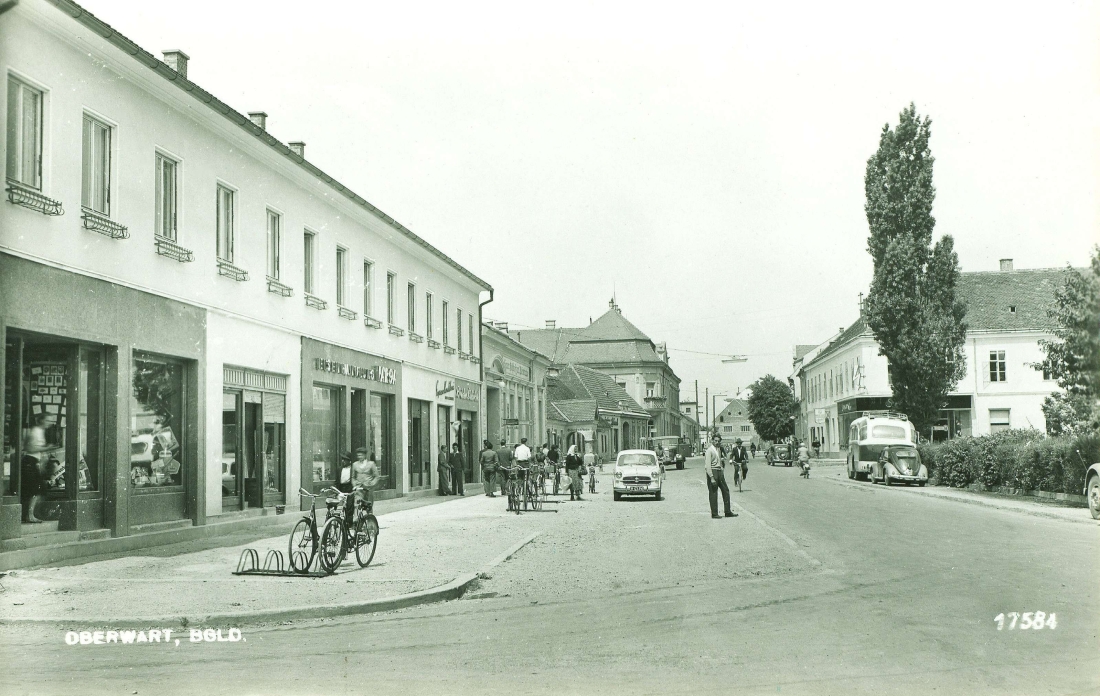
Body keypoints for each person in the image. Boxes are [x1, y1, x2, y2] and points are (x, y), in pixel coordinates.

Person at [20, 413, 55, 523]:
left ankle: (29, 514)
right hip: (29, 462)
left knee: (37, 490)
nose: (49, 423)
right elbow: (30, 447)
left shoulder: (40, 431)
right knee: (36, 490)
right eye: (47, 420)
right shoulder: (35, 431)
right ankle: (29, 515)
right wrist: (46, 448)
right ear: (41, 421)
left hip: (33, 462)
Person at [705, 434, 736, 519]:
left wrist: (721, 470)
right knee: (713, 493)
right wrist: (711, 477)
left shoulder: (718, 449)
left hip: (719, 471)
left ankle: (727, 511)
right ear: (712, 441)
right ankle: (714, 513)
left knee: (725, 490)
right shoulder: (709, 451)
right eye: (715, 441)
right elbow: (707, 466)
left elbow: (720, 461)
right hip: (713, 472)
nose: (717, 442)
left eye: (718, 441)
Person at [496, 439, 514, 504]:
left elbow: (496, 459)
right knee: (507, 478)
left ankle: (502, 491)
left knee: (502, 478)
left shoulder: (498, 451)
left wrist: (499, 465)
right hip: (507, 466)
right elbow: (511, 458)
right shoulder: (509, 450)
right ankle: (507, 489)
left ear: (500, 444)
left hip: (501, 466)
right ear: (505, 443)